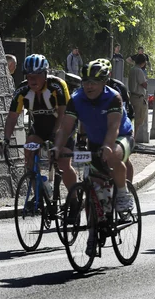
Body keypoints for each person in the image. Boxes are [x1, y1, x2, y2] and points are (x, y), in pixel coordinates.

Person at [54, 59, 135, 245]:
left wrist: (107, 146)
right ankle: (96, 225)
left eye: (94, 82)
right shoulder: (76, 99)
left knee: (114, 155)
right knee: (94, 185)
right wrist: (57, 147)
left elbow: (114, 127)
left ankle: (122, 193)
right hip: (95, 142)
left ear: (104, 83)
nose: (89, 86)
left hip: (121, 137)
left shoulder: (113, 97)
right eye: (86, 82)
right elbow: (65, 128)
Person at [4, 54, 76, 190]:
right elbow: (12, 117)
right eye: (29, 76)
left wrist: (56, 136)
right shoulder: (22, 90)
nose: (32, 80)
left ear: (45, 74)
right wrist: (6, 140)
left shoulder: (57, 85)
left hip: (63, 126)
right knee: (29, 154)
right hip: (40, 127)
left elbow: (64, 113)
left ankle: (73, 199)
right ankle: (39, 192)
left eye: (36, 75)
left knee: (63, 163)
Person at [127, 54, 148, 140]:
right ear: (143, 62)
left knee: (132, 118)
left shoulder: (132, 69)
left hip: (132, 95)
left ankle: (131, 138)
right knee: (139, 119)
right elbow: (144, 84)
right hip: (139, 97)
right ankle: (133, 139)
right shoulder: (139, 71)